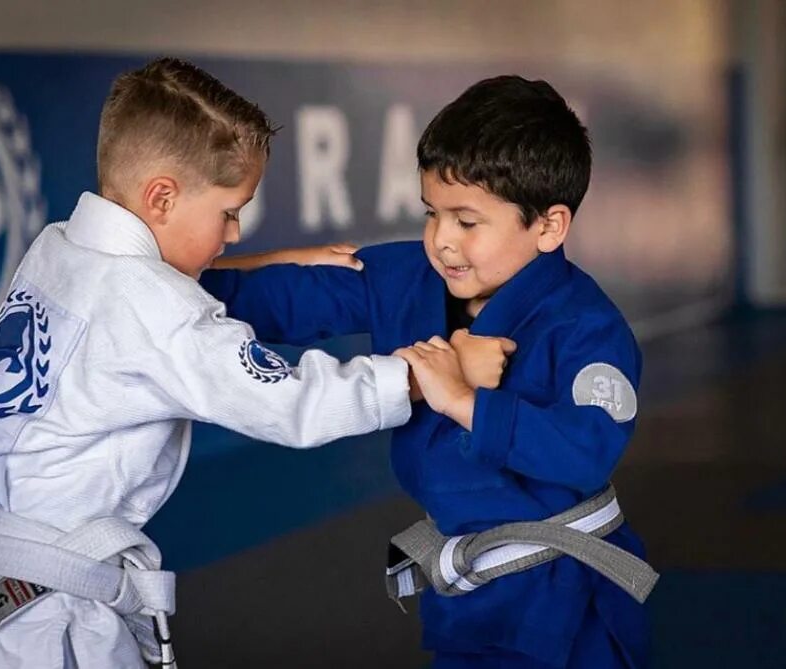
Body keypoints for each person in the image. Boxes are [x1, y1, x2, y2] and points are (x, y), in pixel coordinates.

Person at [0, 57, 413, 669]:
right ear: (162, 197)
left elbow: (151, 286)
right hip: (47, 623)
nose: (233, 234)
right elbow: (289, 403)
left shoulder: (60, 246)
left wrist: (278, 262)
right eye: (230, 212)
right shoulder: (156, 310)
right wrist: (415, 376)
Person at [201, 75, 652, 668]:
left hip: (568, 603)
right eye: (431, 214)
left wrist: (464, 399)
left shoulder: (587, 327)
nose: (441, 241)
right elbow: (258, 298)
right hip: (469, 597)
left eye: (467, 222)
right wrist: (166, 269)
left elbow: (585, 453)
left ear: (548, 226)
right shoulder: (405, 279)